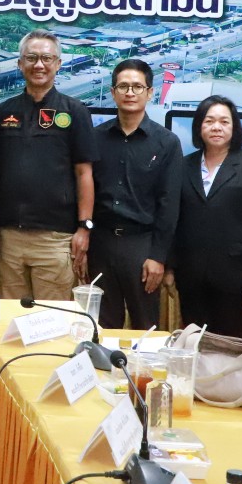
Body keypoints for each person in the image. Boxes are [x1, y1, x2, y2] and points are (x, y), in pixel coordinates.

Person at [0, 30, 95, 301]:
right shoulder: (4, 112)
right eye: (32, 58)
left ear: (58, 64)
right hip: (9, 238)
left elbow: (84, 173)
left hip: (56, 238)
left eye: (46, 58)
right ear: (20, 63)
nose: (39, 65)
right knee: (11, 317)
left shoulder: (74, 111)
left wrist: (84, 227)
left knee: (52, 318)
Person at [89, 59, 183, 330]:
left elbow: (169, 205)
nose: (130, 93)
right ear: (113, 92)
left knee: (146, 326)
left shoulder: (166, 142)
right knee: (101, 326)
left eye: (137, 87)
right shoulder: (95, 137)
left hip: (142, 247)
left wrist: (158, 257)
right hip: (101, 243)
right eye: (123, 86)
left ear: (150, 92)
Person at [172, 95, 242, 338]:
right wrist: (170, 266)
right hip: (191, 277)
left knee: (231, 345)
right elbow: (174, 218)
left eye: (224, 122)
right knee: (194, 342)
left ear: (234, 127)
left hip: (235, 278)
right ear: (199, 126)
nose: (216, 127)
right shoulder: (184, 166)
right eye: (209, 121)